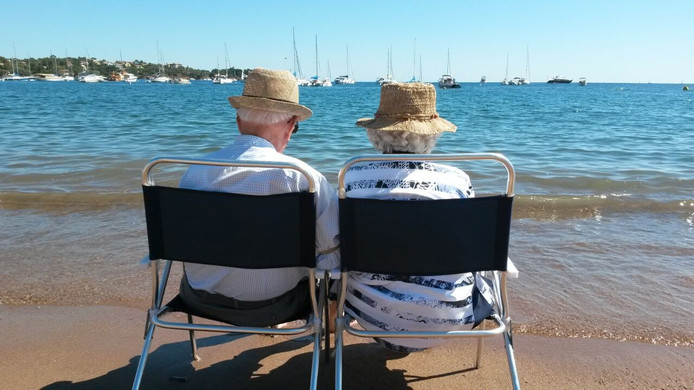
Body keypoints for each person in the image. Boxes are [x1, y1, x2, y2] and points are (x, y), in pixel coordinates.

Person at [178, 68, 340, 327]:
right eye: (295, 128)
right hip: (280, 305)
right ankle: (329, 322)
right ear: (290, 126)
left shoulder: (194, 172)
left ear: (239, 121)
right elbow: (331, 252)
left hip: (199, 299)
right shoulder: (303, 178)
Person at [342, 82, 496, 352]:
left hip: (371, 314)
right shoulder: (457, 182)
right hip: (451, 316)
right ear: (431, 135)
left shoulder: (353, 177)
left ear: (377, 132)